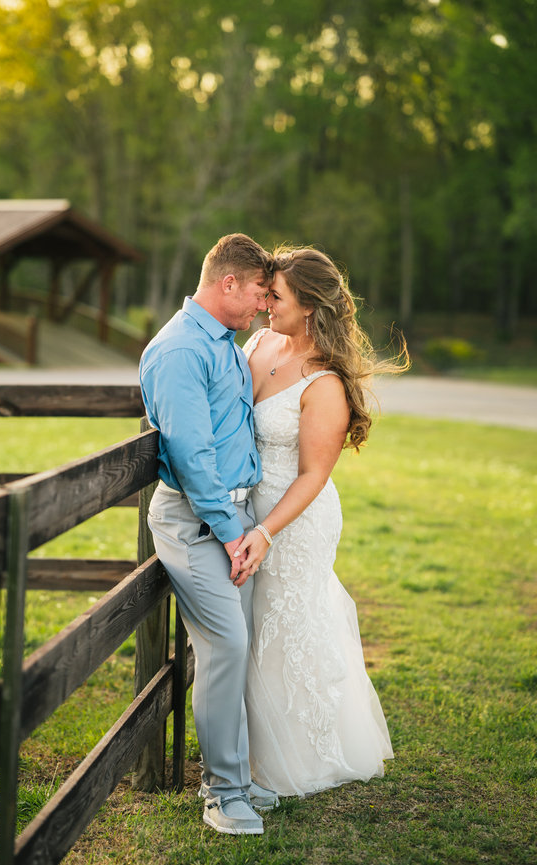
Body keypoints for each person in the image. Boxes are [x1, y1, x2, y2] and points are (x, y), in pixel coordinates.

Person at [234, 245, 408, 797]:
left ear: (308, 305)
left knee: (286, 624)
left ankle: (297, 757)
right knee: (251, 627)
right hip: (246, 509)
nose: (266, 305)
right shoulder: (258, 344)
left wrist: (266, 531)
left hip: (295, 519)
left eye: (276, 297)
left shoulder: (324, 383)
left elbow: (313, 475)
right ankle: (247, 747)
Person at [139, 233, 280, 835]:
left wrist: (243, 526)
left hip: (230, 520)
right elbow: (192, 456)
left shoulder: (221, 343)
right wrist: (228, 532)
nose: (264, 305)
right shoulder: (179, 350)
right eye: (259, 292)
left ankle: (236, 778)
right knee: (224, 648)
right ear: (228, 283)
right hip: (197, 525)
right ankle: (222, 793)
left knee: (235, 649)